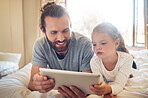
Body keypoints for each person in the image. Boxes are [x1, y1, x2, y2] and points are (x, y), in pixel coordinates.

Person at [28, 2, 94, 98]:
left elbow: (88, 86)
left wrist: (84, 93)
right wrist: (39, 84)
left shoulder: (85, 44)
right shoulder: (40, 45)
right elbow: (31, 85)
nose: (61, 38)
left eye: (65, 31)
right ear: (43, 30)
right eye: (54, 32)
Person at [89, 22, 133, 97]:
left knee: (132, 63)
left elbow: (119, 84)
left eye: (103, 43)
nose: (97, 47)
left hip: (127, 64)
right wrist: (104, 93)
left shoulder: (127, 59)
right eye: (94, 44)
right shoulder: (94, 61)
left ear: (116, 43)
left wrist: (108, 90)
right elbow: (100, 84)